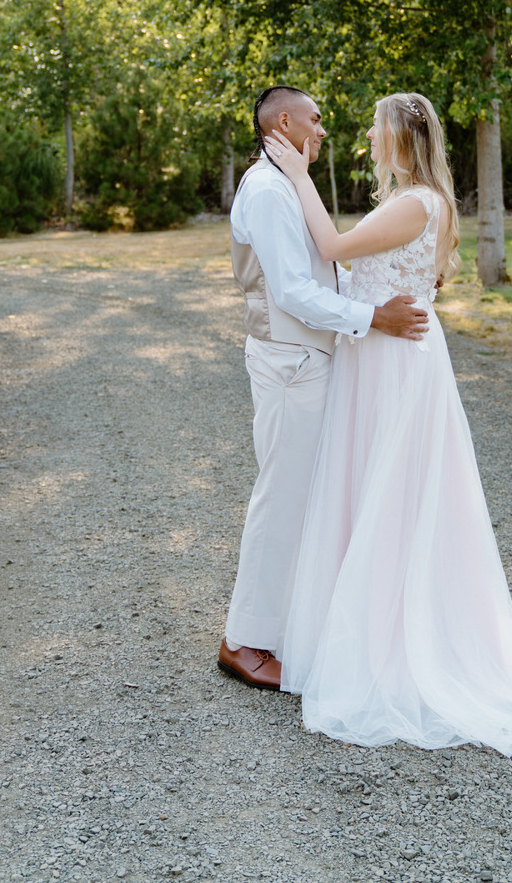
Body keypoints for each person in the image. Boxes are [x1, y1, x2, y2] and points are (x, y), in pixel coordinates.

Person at [263, 91, 512, 754]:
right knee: (382, 490)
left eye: (374, 129)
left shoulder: (415, 203)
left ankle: (396, 640)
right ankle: (374, 624)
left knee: (393, 494)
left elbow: (334, 245)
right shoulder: (420, 202)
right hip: (388, 355)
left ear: (400, 137)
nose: (365, 137)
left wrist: (300, 177)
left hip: (393, 362)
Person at [219, 85, 429, 691]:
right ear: (283, 121)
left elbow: (327, 269)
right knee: (281, 497)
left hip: (309, 358)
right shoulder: (265, 189)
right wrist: (373, 319)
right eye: (315, 119)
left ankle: (282, 627)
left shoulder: (286, 186)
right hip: (289, 362)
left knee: (308, 497)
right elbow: (289, 291)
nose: (324, 130)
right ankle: (244, 641)